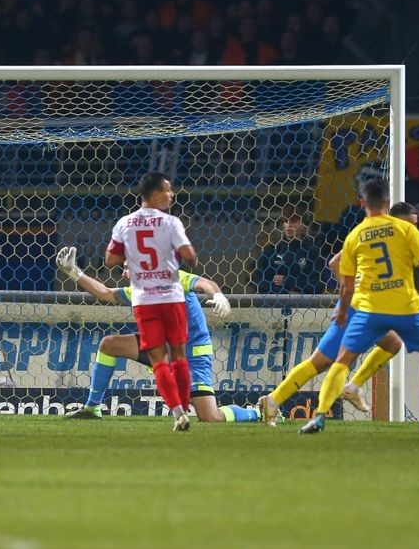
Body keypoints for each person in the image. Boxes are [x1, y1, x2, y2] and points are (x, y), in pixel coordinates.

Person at [299, 180, 419, 435]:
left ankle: (318, 417)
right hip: (405, 307)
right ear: (387, 203)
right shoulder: (404, 229)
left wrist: (341, 312)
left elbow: (347, 286)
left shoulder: (356, 235)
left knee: (342, 360)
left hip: (370, 310)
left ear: (362, 203)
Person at [56, 246, 264, 423]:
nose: (124, 274)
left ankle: (259, 412)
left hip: (192, 355)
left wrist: (218, 295)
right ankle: (92, 407)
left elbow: (204, 283)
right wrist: (74, 272)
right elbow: (104, 292)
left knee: (210, 417)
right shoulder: (137, 290)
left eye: (128, 268)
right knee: (110, 344)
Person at [258, 201, 419, 425]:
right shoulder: (378, 237)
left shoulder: (391, 241)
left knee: (391, 343)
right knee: (320, 363)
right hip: (358, 311)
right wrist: (349, 289)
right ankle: (276, 400)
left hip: (368, 310)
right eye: (409, 224)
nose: (413, 228)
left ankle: (350, 387)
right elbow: (335, 263)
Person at [105, 172, 197, 431]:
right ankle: (184, 403)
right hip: (171, 297)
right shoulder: (171, 223)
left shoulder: (124, 223)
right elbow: (190, 257)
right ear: (155, 194)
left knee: (158, 361)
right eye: (168, 190)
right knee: (179, 355)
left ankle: (178, 412)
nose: (171, 195)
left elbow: (110, 261)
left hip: (144, 300)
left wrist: (131, 258)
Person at [255, 209, 327, 294]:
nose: (289, 225)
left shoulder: (313, 252)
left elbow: (318, 285)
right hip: (277, 305)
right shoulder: (271, 252)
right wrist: (288, 293)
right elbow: (261, 285)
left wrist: (287, 281)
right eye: (286, 221)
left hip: (303, 306)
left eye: (293, 221)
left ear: (302, 225)